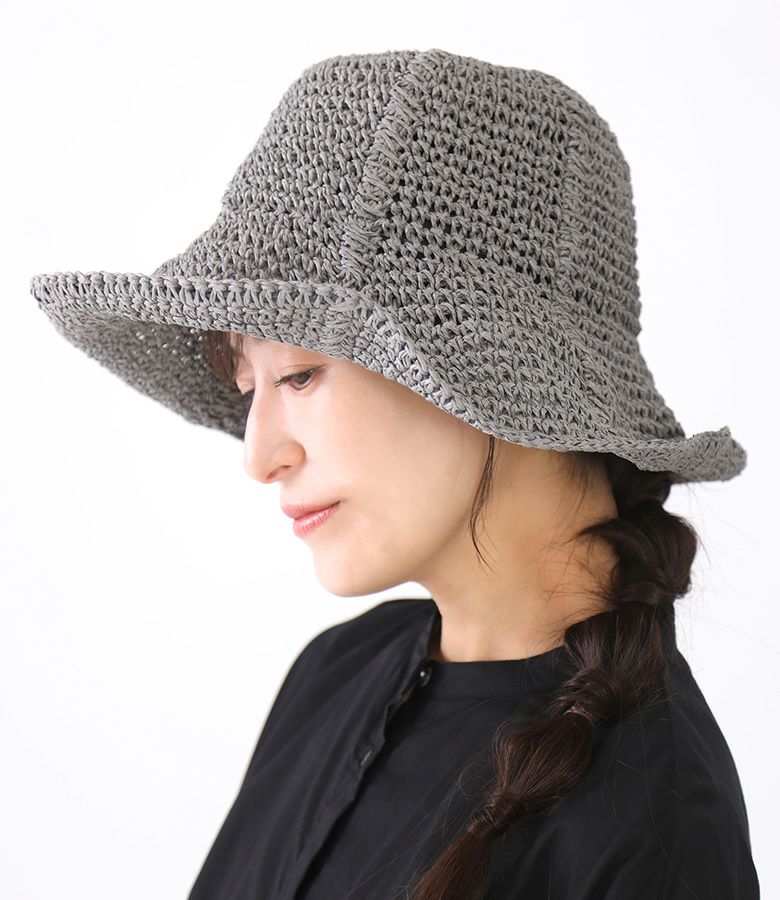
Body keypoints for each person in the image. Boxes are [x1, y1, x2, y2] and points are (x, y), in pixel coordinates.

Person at [30, 48, 759, 899]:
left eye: (300, 374)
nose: (260, 457)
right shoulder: (339, 672)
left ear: (500, 364)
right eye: (249, 386)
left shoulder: (656, 826)